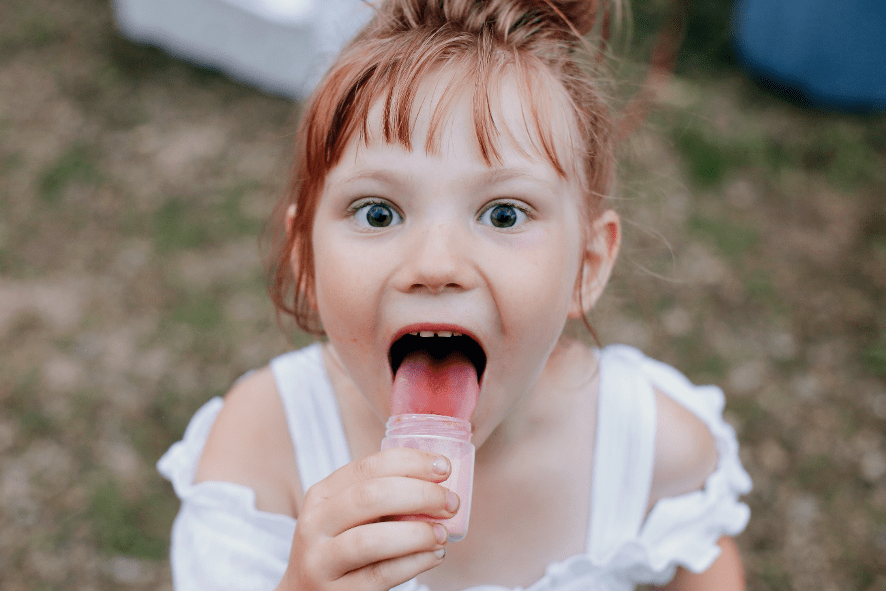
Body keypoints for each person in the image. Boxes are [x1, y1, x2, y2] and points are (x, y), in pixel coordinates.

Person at [158, 0, 753, 589]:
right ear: (307, 260)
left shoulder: (653, 449)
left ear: (586, 266)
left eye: (502, 214)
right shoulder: (263, 448)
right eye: (378, 211)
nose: (435, 265)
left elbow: (705, 558)